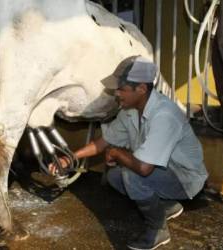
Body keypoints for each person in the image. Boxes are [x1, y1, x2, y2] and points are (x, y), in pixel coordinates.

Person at [50, 55, 208, 250]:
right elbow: (102, 142)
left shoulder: (164, 115)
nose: (116, 93)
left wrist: (116, 153)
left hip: (186, 179)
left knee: (132, 176)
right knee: (115, 176)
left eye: (121, 89)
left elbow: (143, 168)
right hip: (163, 172)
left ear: (141, 89)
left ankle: (157, 229)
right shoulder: (131, 109)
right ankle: (167, 206)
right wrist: (70, 158)